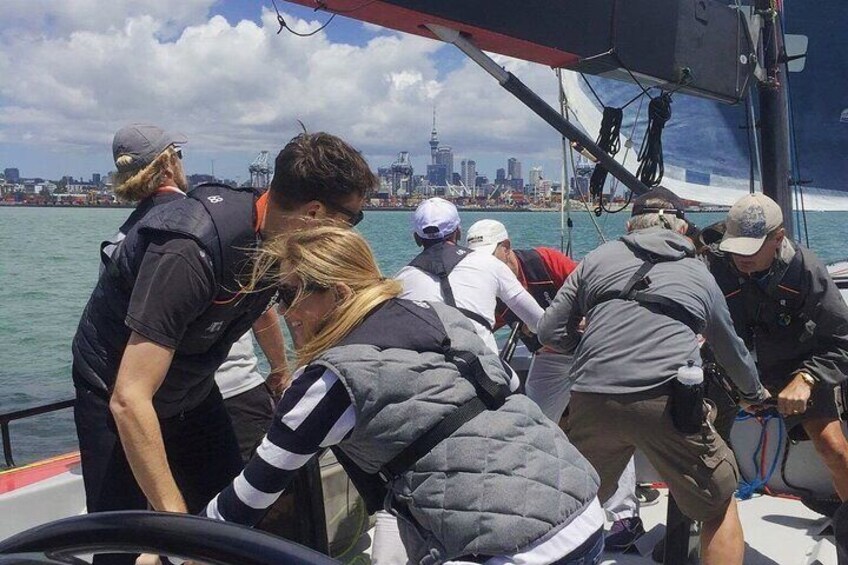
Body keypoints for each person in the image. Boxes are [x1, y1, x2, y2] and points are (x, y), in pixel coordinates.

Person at [203, 225, 605, 565]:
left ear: (340, 294)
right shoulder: (439, 315)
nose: (286, 313)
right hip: (583, 512)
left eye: (289, 296)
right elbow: (510, 392)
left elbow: (244, 505)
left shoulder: (330, 382)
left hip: (517, 548)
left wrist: (164, 548)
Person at [71, 125, 375, 563]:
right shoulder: (190, 247)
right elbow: (128, 397)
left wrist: (291, 374)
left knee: (231, 524)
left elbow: (279, 310)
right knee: (128, 543)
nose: (352, 233)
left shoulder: (278, 238)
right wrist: (174, 525)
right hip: (115, 395)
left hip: (192, 390)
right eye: (352, 220)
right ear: (313, 212)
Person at [537, 187, 770, 565]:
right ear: (682, 230)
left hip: (592, 398)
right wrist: (754, 392)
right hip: (668, 403)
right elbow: (731, 350)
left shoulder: (597, 258)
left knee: (573, 511)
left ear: (630, 226)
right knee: (718, 504)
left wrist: (585, 347)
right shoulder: (699, 272)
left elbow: (549, 332)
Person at [465, 218, 649, 551]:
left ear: (507, 248)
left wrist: (587, 319)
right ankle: (536, 504)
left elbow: (597, 288)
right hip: (550, 356)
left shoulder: (545, 261)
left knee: (610, 426)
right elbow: (482, 327)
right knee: (530, 425)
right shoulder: (486, 281)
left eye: (492, 256)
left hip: (595, 349)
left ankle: (625, 517)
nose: (485, 265)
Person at [707, 192, 848, 502]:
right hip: (728, 369)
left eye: (751, 249)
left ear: (778, 238)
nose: (741, 258)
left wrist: (808, 378)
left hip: (795, 368)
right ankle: (691, 527)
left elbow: (842, 341)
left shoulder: (807, 270)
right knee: (690, 448)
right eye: (735, 248)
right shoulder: (713, 262)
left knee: (834, 450)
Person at [395, 198, 544, 356]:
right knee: (513, 382)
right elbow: (539, 321)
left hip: (427, 371)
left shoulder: (400, 280)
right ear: (458, 232)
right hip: (482, 372)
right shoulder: (491, 264)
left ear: (416, 238)